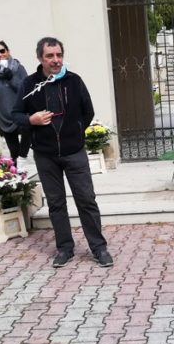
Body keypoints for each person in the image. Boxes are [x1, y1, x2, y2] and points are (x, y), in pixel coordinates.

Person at [12, 37, 114, 268]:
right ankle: (65, 248)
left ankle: (99, 248)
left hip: (73, 152)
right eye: (50, 56)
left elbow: (87, 112)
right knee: (56, 204)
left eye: (58, 55)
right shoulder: (29, 84)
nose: (56, 60)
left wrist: (75, 132)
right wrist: (32, 119)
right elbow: (15, 115)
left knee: (86, 200)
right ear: (40, 58)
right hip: (45, 154)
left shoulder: (74, 81)